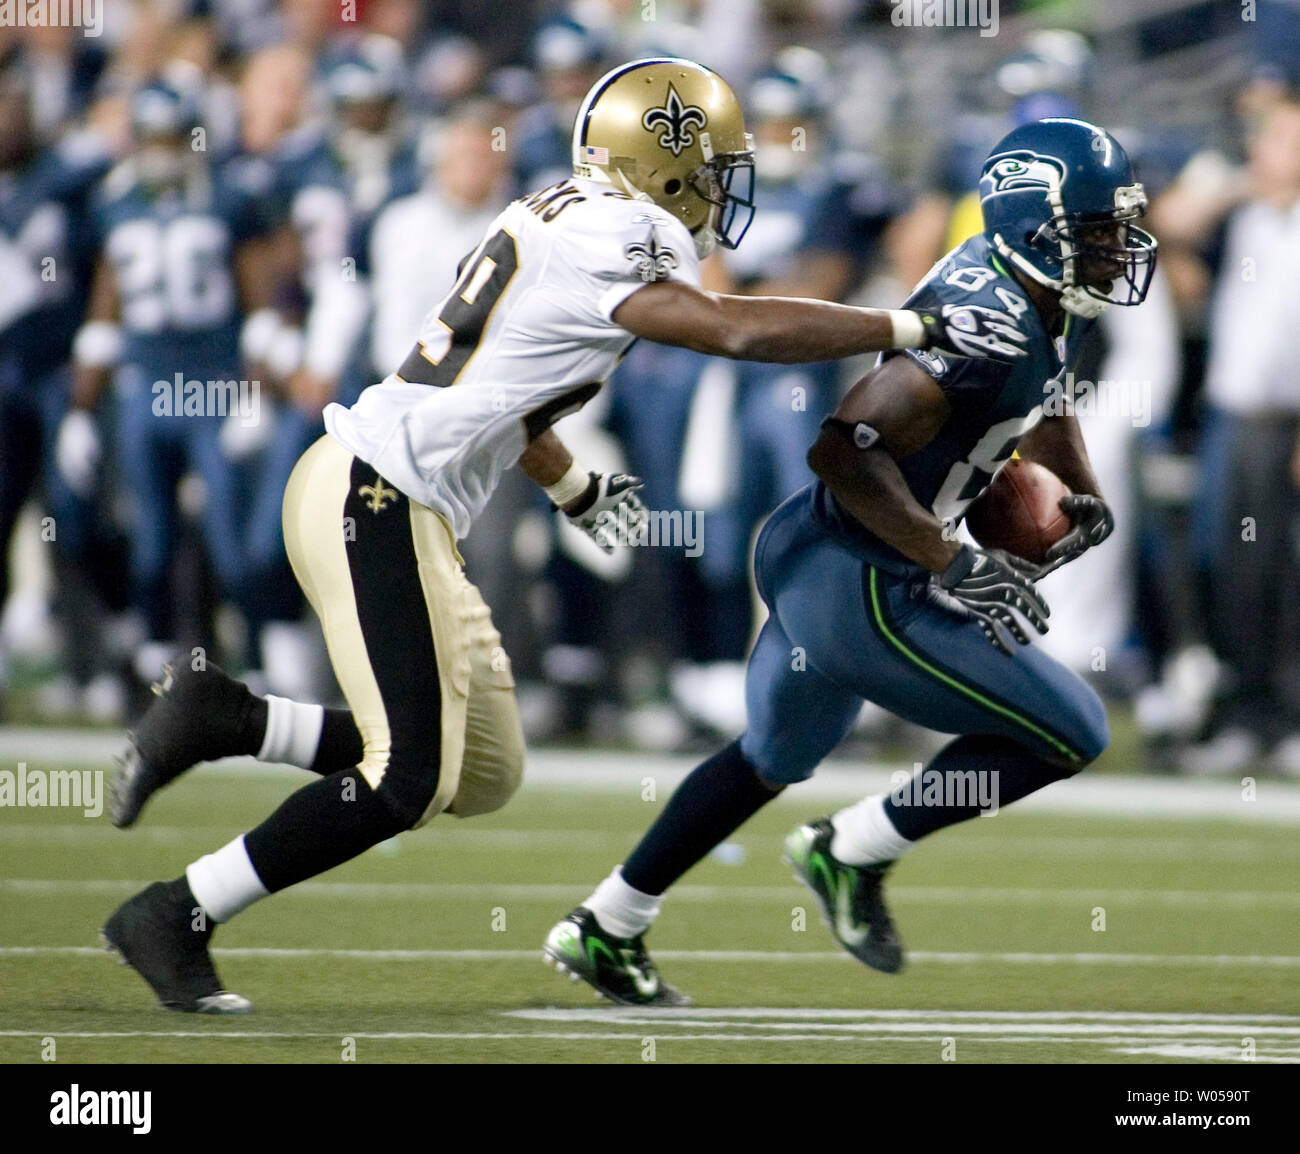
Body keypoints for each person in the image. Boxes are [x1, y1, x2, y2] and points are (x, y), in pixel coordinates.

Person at [100, 57, 1024, 1014]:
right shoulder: (624, 229)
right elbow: (732, 332)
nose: (720, 190)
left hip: (392, 494)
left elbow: (509, 388)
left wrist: (575, 487)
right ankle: (177, 913)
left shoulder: (566, 211)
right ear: (662, 166)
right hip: (375, 494)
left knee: (485, 771)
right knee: (407, 777)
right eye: (712, 167)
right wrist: (909, 325)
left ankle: (226, 719)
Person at [544, 116, 1157, 1006]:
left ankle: (607, 922)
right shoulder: (988, 323)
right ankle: (853, 846)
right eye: (1097, 234)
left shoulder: (1037, 290)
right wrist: (946, 557)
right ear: (1038, 226)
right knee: (1073, 731)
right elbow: (843, 447)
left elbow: (1045, 390)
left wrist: (1077, 484)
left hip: (820, 555)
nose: (1114, 252)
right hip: (865, 578)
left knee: (771, 756)